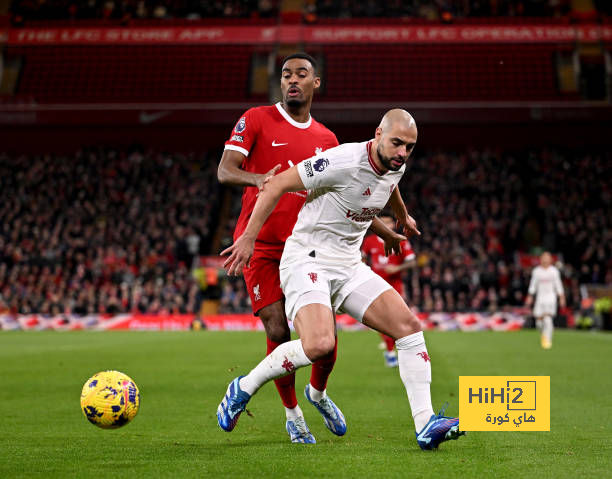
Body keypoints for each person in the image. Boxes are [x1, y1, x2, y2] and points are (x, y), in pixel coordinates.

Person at [217, 109, 464, 451]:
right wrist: (248, 236)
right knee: (320, 345)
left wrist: (400, 216)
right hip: (307, 257)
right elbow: (277, 183)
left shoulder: (397, 163)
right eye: (396, 143)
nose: (402, 153)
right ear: (378, 133)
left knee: (409, 328)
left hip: (348, 263)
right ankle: (243, 387)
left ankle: (424, 424)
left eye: (409, 147)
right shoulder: (340, 160)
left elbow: (389, 181)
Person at [217, 53, 415, 443]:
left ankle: (318, 394)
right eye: (286, 74)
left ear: (315, 83)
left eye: (301, 74)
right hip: (262, 244)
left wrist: (385, 231)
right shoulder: (255, 118)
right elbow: (225, 171)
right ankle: (293, 415)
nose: (292, 80)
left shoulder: (327, 140)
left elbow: (351, 199)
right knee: (277, 326)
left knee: (324, 342)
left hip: (313, 250)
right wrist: (261, 181)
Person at [362, 211, 416, 367]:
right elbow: (362, 259)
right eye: (382, 222)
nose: (386, 225)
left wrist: (398, 267)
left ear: (394, 224)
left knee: (397, 319)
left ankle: (394, 348)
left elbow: (412, 262)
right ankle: (391, 352)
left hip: (395, 287)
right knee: (384, 320)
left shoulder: (401, 241)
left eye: (389, 222)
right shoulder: (370, 241)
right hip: (375, 286)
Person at [526, 252, 565, 349]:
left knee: (547, 318)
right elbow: (533, 285)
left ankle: (548, 340)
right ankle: (544, 335)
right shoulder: (537, 271)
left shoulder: (554, 271)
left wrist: (561, 297)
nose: (545, 260)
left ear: (551, 260)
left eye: (547, 258)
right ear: (540, 259)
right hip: (540, 298)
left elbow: (558, 285)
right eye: (544, 258)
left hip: (550, 298)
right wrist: (530, 296)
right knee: (539, 323)